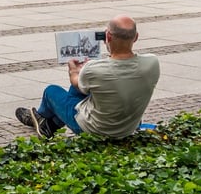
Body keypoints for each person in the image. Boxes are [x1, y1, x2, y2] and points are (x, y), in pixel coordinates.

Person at [15, 15, 159, 139]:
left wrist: (74, 71)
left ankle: (41, 118)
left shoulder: (94, 69)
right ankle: (49, 124)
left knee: (51, 91)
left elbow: (76, 82)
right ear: (136, 37)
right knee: (82, 89)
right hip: (128, 127)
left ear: (107, 37)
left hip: (94, 129)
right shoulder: (152, 63)